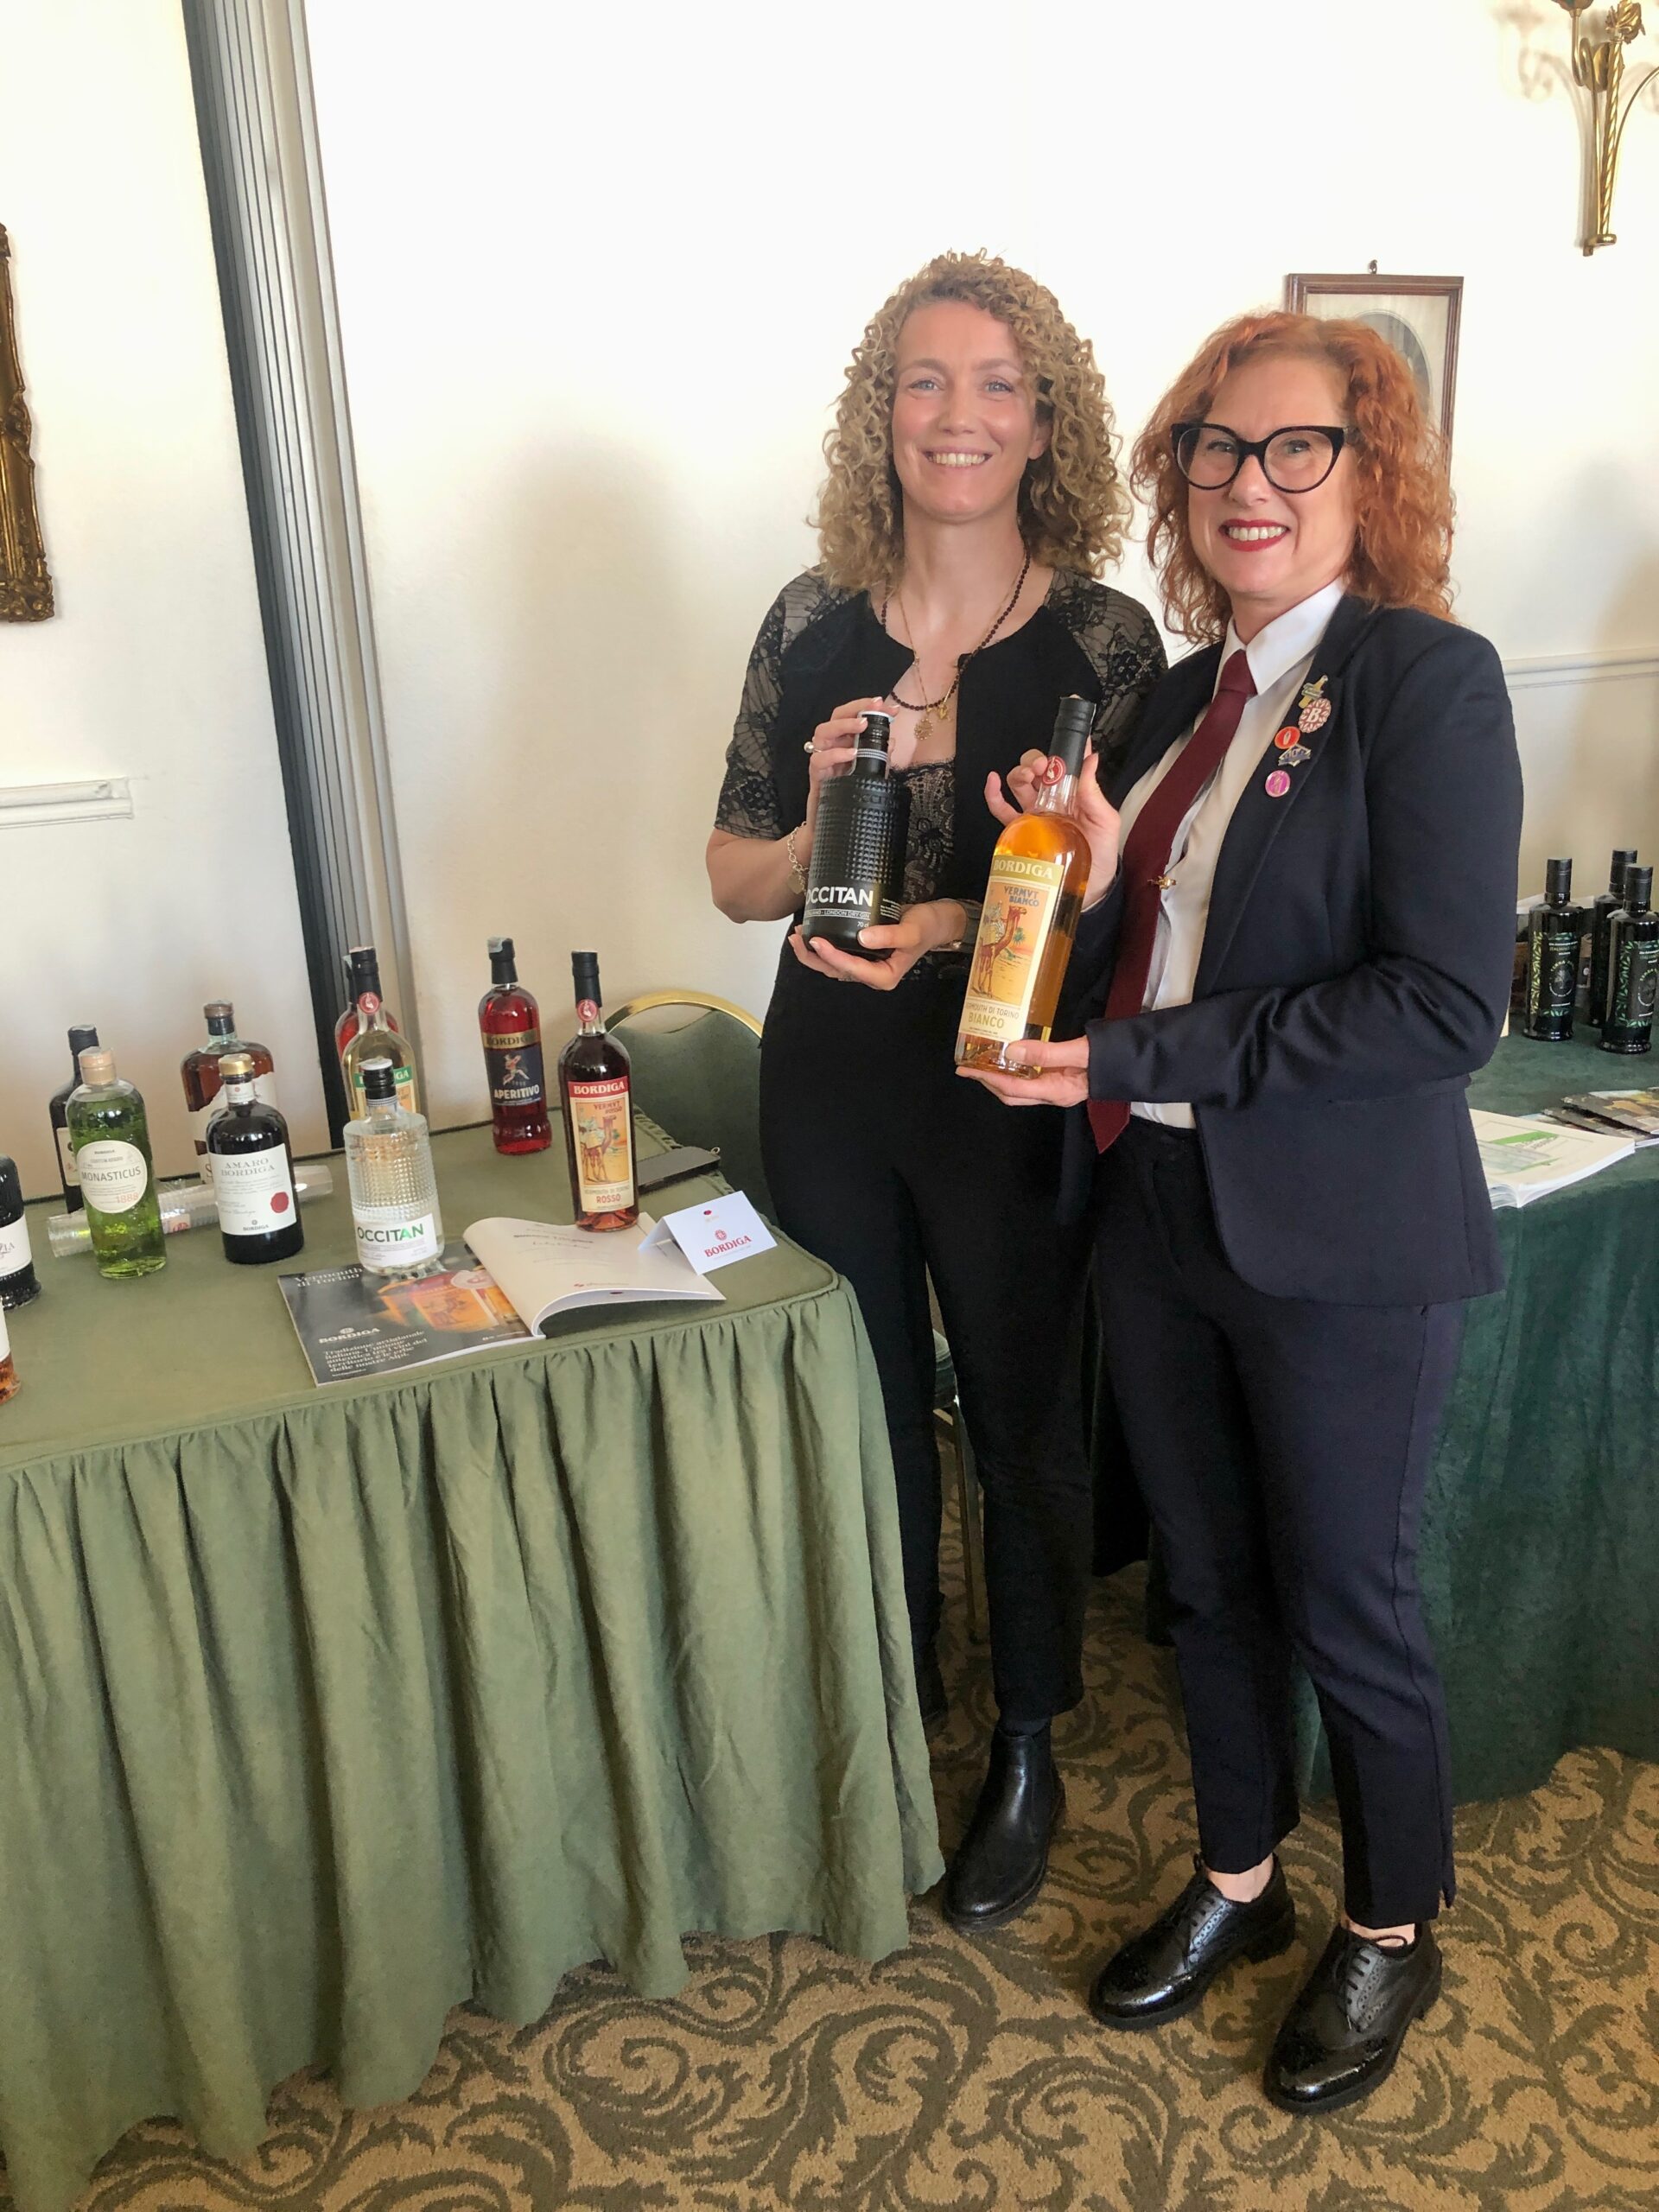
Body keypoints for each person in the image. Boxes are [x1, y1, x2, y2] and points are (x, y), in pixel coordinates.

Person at [960, 309, 1522, 2107]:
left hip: (1341, 1238)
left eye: (1297, 447)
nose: (1247, 482)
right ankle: (1240, 1879)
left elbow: (1442, 1005)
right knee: (1204, 1582)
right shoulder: (1177, 701)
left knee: (1350, 1601)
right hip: (1160, 1206)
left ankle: (1393, 1926)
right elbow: (1162, 948)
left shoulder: (1426, 681)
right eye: (1216, 446)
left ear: (1372, 474)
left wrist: (1138, 1046)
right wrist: (1087, 875)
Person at [706, 251, 1163, 1930]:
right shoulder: (807, 623)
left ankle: (1028, 1736)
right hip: (829, 1077)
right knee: (871, 1405)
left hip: (1005, 1080)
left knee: (1024, 1414)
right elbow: (732, 875)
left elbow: (1119, 895)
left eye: (996, 384)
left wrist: (957, 919)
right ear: (879, 413)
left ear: (1045, 422)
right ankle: (895, 1706)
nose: (956, 415)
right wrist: (813, 810)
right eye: (923, 379)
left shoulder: (1106, 640)